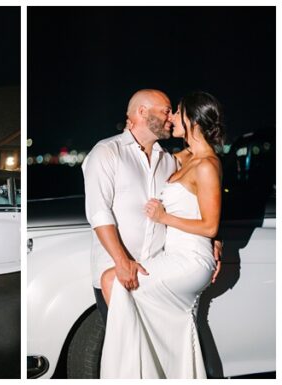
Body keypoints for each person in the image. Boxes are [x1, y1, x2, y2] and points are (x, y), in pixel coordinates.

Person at [100, 91, 226, 378]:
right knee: (162, 319)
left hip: (192, 259)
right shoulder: (183, 158)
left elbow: (210, 226)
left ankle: (134, 374)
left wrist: (164, 217)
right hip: (174, 253)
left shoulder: (207, 164)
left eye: (176, 112)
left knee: (113, 281)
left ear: (192, 119)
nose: (171, 117)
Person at [81, 89, 178, 324]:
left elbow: (181, 209)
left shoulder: (169, 160)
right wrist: (122, 261)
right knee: (124, 351)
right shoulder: (106, 152)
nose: (172, 117)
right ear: (142, 112)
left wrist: (214, 239)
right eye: (166, 111)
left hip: (156, 273)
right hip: (116, 273)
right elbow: (98, 211)